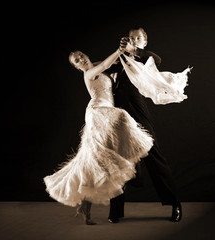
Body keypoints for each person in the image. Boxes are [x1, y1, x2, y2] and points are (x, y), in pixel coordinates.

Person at [43, 47, 154, 225]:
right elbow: (105, 64)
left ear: (86, 54)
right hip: (99, 111)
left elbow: (114, 63)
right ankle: (135, 159)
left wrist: (128, 50)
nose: (81, 59)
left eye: (81, 55)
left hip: (106, 110)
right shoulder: (89, 73)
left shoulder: (96, 67)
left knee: (96, 161)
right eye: (77, 60)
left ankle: (85, 208)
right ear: (77, 67)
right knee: (123, 117)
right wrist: (119, 50)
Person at [104, 27, 183, 223]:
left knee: (153, 154)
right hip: (118, 112)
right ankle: (115, 211)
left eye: (137, 38)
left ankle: (175, 204)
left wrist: (133, 50)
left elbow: (157, 59)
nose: (133, 40)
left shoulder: (144, 59)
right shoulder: (120, 60)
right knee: (118, 159)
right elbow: (102, 69)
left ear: (143, 42)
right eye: (130, 37)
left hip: (137, 111)